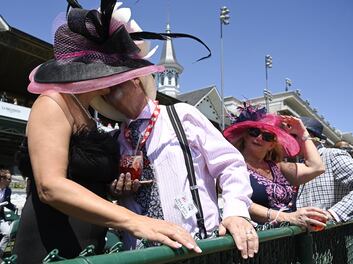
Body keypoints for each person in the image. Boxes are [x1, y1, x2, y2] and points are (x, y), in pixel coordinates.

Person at [13, 2, 202, 263]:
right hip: (49, 249)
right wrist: (135, 222)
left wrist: (116, 189)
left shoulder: (88, 115)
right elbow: (50, 186)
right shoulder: (53, 102)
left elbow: (86, 183)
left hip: (89, 249)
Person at [103, 76, 259, 258]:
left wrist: (236, 211)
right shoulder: (116, 140)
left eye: (113, 82)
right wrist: (116, 191)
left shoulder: (180, 116)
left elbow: (230, 163)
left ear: (136, 80)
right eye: (104, 87)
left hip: (199, 248)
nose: (107, 90)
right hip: (141, 255)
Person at [223, 104, 327, 230]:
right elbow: (238, 203)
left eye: (267, 136)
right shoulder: (230, 165)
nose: (259, 138)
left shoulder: (277, 167)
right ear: (245, 136)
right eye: (254, 132)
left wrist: (303, 133)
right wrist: (287, 217)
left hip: (288, 238)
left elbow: (317, 167)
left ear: (272, 145)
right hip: (257, 238)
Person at [297, 117, 353, 222]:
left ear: (311, 137)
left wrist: (332, 214)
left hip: (332, 234)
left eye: (294, 135)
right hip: (304, 234)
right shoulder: (298, 163)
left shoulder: (332, 155)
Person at [0, 168, 16, 259]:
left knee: (8, 233)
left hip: (1, 217)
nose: (10, 181)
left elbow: (8, 203)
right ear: (2, 179)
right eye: (9, 179)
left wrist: (14, 207)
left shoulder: (8, 190)